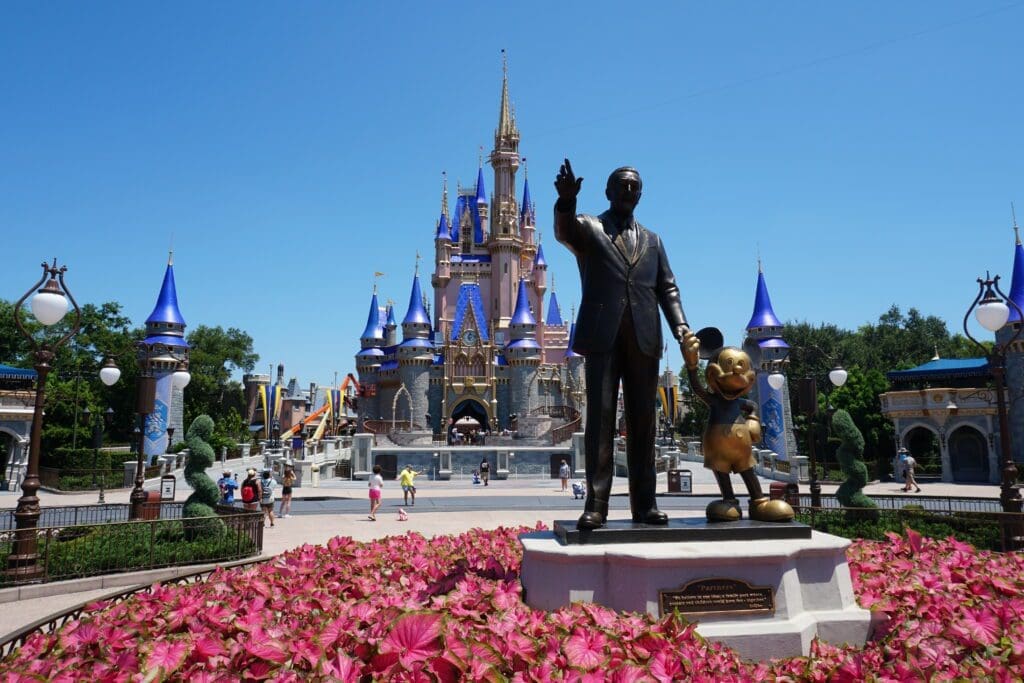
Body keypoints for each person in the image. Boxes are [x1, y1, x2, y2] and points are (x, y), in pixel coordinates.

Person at [554, 160, 689, 530]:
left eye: (634, 187)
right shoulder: (590, 228)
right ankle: (596, 505)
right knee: (600, 421)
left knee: (644, 423)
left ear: (640, 195)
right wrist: (565, 202)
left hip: (644, 338)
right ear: (608, 192)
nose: (629, 191)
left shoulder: (653, 241)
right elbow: (564, 232)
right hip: (603, 336)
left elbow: (668, 288)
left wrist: (682, 328)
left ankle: (645, 505)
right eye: (622, 185)